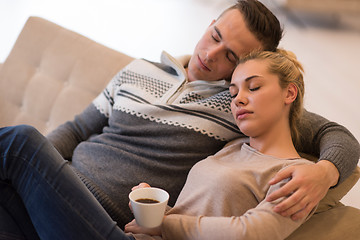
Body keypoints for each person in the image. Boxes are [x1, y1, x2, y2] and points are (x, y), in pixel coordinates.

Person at [0, 0, 359, 238]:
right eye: (215, 36)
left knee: (21, 143)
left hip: (104, 218)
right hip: (51, 199)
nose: (211, 53)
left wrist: (325, 172)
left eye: (231, 55)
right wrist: (35, 180)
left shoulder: (239, 105)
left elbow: (337, 135)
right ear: (210, 23)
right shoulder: (139, 69)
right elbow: (78, 129)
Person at [124, 48, 317, 239]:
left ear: (290, 93)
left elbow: (250, 233)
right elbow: (191, 219)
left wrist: (163, 225)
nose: (238, 99)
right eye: (233, 94)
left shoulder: (299, 175)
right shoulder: (232, 146)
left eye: (254, 87)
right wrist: (153, 210)